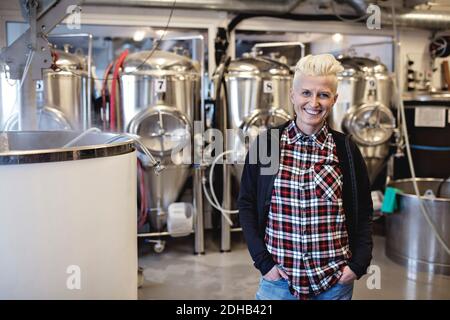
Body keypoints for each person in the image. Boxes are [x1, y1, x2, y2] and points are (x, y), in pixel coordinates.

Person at [238, 54, 373, 300]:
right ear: (292, 95)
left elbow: (363, 210)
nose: (314, 102)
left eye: (323, 94)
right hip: (279, 283)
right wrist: (264, 263)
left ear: (334, 99)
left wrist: (358, 264)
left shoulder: (346, 150)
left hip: (333, 282)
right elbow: (246, 204)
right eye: (306, 93)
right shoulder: (268, 145)